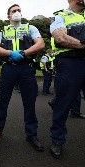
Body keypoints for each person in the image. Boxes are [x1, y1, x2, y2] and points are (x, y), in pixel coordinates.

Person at [0, 4, 45, 152]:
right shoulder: (2, 31)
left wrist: (23, 53)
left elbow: (41, 44)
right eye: (13, 11)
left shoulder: (30, 28)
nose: (17, 13)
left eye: (18, 11)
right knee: (2, 101)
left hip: (26, 68)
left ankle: (31, 134)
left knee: (29, 102)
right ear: (8, 16)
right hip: (8, 68)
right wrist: (10, 53)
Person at [49, 0, 85, 159]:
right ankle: (57, 139)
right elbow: (60, 38)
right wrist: (83, 45)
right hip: (71, 63)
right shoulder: (60, 16)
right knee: (63, 104)